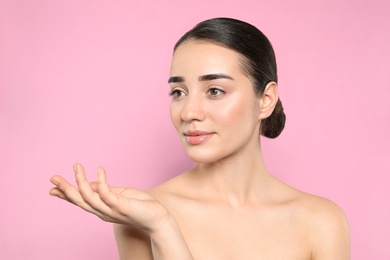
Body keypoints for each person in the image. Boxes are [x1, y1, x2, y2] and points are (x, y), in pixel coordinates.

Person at [49, 17, 350, 259]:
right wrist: (162, 226)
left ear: (265, 100)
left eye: (215, 91)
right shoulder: (141, 215)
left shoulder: (321, 222)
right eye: (178, 93)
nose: (189, 112)